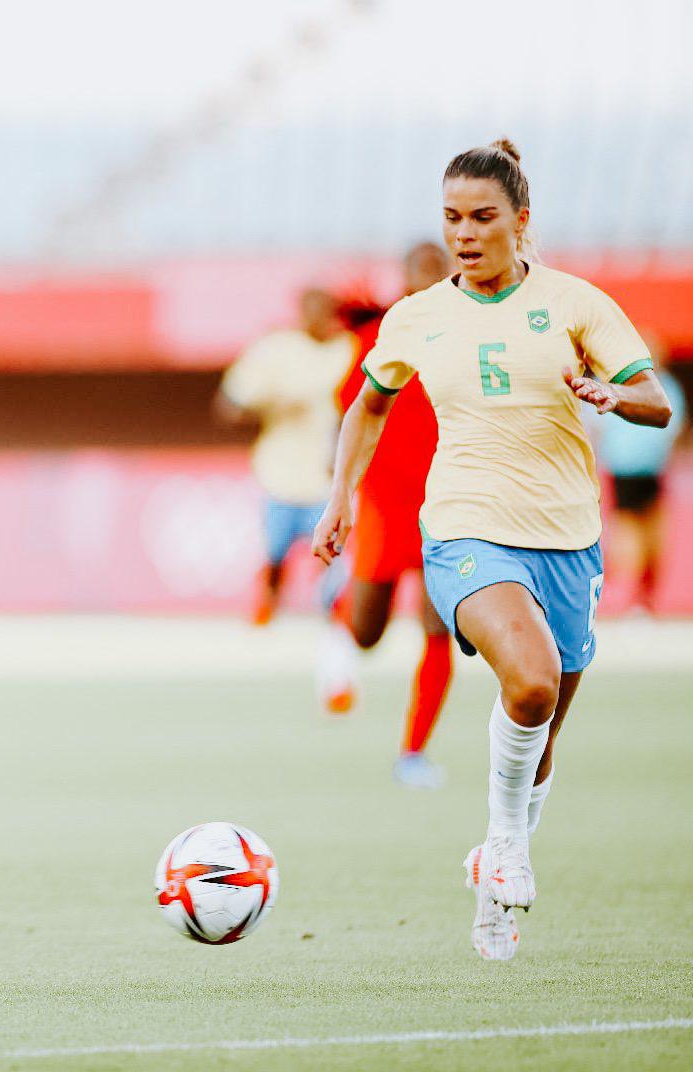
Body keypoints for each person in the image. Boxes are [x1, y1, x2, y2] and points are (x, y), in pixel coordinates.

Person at [314, 139, 671, 961]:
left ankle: (497, 863)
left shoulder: (577, 303)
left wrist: (613, 394)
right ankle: (506, 846)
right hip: (466, 526)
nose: (465, 234)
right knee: (534, 681)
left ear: (521, 221)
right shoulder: (417, 316)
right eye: (452, 219)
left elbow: (653, 398)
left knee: (542, 732)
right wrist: (340, 498)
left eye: (482, 217)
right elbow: (369, 405)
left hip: (570, 537)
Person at [328, 242, 456, 783]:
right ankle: (335, 610)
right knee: (366, 634)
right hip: (384, 502)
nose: (428, 280)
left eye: (437, 271)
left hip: (449, 504)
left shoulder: (466, 335)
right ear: (402, 279)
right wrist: (341, 491)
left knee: (437, 625)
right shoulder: (377, 337)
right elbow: (349, 412)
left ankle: (413, 752)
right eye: (418, 272)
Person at [217, 287, 354, 627]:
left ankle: (334, 613)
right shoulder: (274, 350)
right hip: (279, 477)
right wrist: (270, 403)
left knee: (333, 556)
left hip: (327, 482)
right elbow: (229, 406)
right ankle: (270, 598)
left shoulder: (347, 351)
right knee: (275, 553)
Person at [593, 352, 684, 613]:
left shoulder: (658, 383)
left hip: (643, 466)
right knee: (633, 528)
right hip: (630, 466)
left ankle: (638, 594)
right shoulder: (659, 383)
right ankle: (634, 594)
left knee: (644, 527)